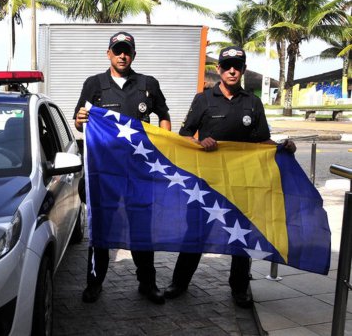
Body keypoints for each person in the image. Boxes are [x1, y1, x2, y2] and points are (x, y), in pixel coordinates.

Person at [164, 46, 296, 308]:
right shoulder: (203, 99)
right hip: (206, 182)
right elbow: (184, 136)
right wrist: (199, 142)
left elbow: (261, 141)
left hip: (241, 183)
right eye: (227, 66)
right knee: (196, 233)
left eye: (237, 65)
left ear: (244, 69)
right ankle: (179, 282)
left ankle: (239, 288)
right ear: (219, 70)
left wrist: (281, 146)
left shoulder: (252, 102)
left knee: (242, 236)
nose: (232, 70)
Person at [74, 31, 172, 304]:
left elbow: (163, 115)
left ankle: (148, 283)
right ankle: (95, 283)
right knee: (101, 228)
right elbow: (78, 122)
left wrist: (163, 144)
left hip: (140, 173)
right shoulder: (94, 84)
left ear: (133, 55)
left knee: (142, 229)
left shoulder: (147, 84)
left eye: (127, 50)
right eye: (117, 50)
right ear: (108, 53)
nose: (122, 55)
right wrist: (81, 118)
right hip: (105, 174)